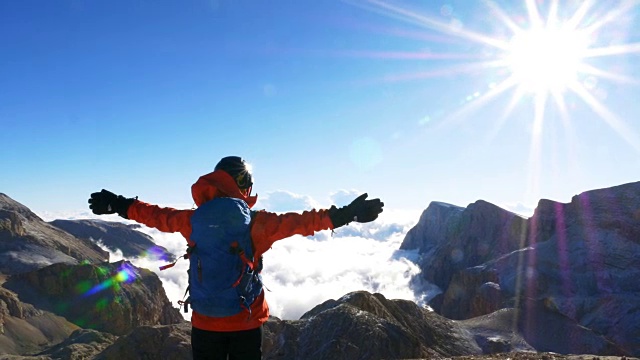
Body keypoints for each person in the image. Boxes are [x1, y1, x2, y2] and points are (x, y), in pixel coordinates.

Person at [88, 156, 384, 360]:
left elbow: (155, 215)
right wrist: (346, 215)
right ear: (244, 186)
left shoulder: (192, 221)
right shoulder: (257, 224)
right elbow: (303, 221)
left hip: (205, 322)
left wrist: (118, 204)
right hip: (245, 321)